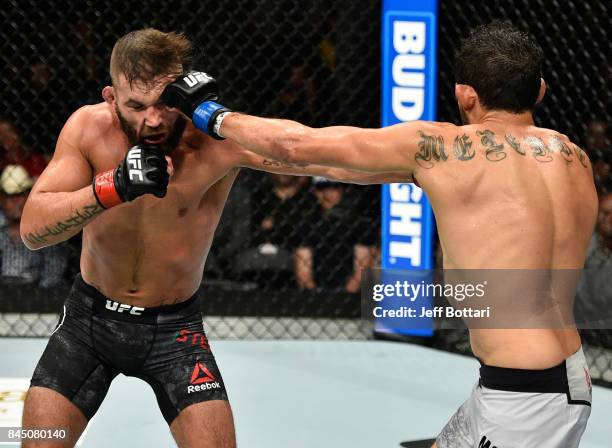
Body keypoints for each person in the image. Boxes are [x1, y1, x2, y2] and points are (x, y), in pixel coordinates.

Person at [164, 21, 598, 447]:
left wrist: (209, 114)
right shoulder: (574, 159)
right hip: (556, 374)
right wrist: (244, 156)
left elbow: (299, 144)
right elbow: (335, 167)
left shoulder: (444, 149)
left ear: (465, 94)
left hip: (524, 398)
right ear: (539, 89)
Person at [19, 28, 407, 447]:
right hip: (87, 322)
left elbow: (326, 158)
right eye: (136, 105)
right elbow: (32, 231)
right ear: (111, 97)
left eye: (165, 103)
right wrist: (110, 188)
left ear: (185, 89)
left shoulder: (215, 141)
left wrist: (415, 168)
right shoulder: (87, 128)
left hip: (174, 331)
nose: (153, 119)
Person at [295, 177, 375, 293]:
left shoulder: (359, 225)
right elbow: (303, 273)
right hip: (315, 296)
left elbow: (360, 273)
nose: (327, 193)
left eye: (333, 187)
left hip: (351, 297)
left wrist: (343, 299)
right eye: (321, 187)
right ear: (314, 191)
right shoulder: (306, 224)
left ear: (342, 189)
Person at [0, 164, 67, 287]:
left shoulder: (43, 226)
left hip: (35, 294)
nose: (16, 202)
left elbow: (54, 268)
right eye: (11, 196)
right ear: (2, 199)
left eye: (21, 195)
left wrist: (38, 295)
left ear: (28, 196)